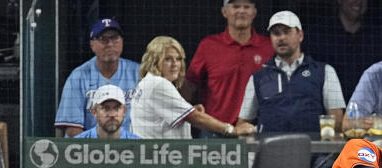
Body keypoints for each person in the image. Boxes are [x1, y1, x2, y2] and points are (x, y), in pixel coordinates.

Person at [236, 11, 346, 137]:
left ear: (300, 35)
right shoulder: (257, 78)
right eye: (276, 33)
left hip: (315, 153)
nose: (281, 37)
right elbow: (242, 124)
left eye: (287, 31)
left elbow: (337, 121)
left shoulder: (326, 71)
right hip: (270, 152)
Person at [131, 36, 247, 139]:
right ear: (154, 61)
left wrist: (188, 109)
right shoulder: (159, 84)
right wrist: (231, 129)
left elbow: (161, 118)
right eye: (168, 59)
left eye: (179, 59)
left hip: (151, 154)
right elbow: (195, 118)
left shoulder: (146, 82)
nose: (175, 64)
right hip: (162, 157)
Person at [186, 0, 274, 132]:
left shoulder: (269, 47)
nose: (241, 11)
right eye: (236, 6)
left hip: (257, 131)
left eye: (247, 7)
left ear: (254, 12)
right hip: (215, 132)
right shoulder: (208, 46)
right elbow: (190, 85)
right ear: (224, 12)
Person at [54, 18, 140, 138]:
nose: (110, 44)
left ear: (122, 41)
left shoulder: (138, 73)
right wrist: (98, 151)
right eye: (103, 39)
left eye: (115, 38)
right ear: (92, 45)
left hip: (130, 149)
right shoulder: (78, 76)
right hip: (89, 149)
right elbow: (73, 129)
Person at [303, 0, 382, 101]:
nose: (358, 2)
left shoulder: (378, 35)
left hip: (370, 105)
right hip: (329, 107)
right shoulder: (319, 34)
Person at [74, 84, 140, 139]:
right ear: (94, 112)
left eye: (117, 108)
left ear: (124, 111)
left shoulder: (139, 145)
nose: (112, 114)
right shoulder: (77, 144)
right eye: (106, 108)